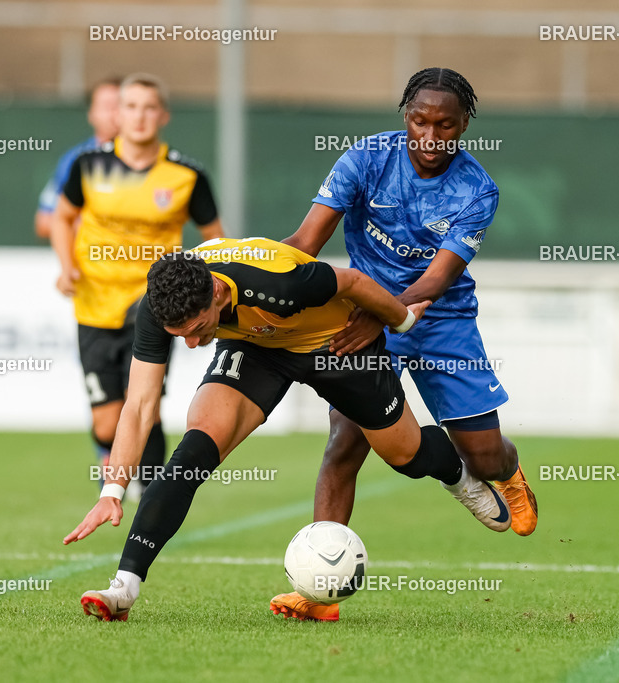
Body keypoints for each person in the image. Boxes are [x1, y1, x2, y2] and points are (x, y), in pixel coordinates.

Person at [62, 237, 518, 622]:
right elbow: (139, 405)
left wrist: (402, 321)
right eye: (178, 334)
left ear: (218, 292)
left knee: (407, 456)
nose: (192, 344)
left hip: (336, 342)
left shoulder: (281, 281)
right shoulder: (163, 302)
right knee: (192, 454)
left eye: (198, 330)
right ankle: (124, 587)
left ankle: (459, 477)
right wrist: (112, 491)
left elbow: (355, 283)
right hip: (257, 348)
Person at [272, 67, 538, 619]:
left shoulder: (476, 188)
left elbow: (438, 279)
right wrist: (259, 276)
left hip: (443, 321)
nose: (431, 136)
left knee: (482, 454)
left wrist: (385, 317)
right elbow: (304, 241)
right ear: (405, 117)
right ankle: (318, 591)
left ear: (465, 125)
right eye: (420, 120)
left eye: (446, 125)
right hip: (364, 314)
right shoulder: (365, 159)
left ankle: (508, 475)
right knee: (345, 443)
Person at [50, 73, 223, 493]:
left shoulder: (186, 174)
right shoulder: (88, 165)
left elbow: (215, 239)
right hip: (94, 304)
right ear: (117, 113)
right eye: (130, 106)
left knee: (144, 404)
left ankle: (148, 494)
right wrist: (65, 264)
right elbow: (62, 216)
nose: (139, 116)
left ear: (162, 115)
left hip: (153, 305)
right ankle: (113, 469)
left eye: (149, 107)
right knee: (107, 420)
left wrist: (209, 288)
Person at [34, 77, 121, 239]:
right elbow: (45, 222)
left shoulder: (153, 160)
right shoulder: (76, 160)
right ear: (91, 113)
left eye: (120, 106)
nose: (114, 114)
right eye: (107, 107)